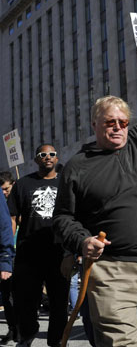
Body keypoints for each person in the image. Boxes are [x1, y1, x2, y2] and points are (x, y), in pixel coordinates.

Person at [52, 74, 137, 347]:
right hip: (112, 273)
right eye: (109, 122)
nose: (117, 127)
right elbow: (63, 217)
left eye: (122, 122)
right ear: (95, 124)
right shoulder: (77, 166)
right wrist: (82, 241)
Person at [8, 145, 69, 347]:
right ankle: (28, 333)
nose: (48, 157)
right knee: (25, 301)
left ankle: (57, 340)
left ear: (57, 157)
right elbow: (13, 218)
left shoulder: (66, 183)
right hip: (28, 253)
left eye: (52, 154)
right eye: (43, 155)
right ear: (36, 159)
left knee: (59, 302)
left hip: (58, 252)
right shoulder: (23, 184)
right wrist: (9, 247)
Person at [0, 171, 16, 345]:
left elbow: (8, 225)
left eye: (7, 189)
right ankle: (13, 328)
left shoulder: (15, 199)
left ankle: (18, 328)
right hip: (7, 250)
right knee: (6, 295)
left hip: (13, 250)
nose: (5, 192)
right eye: (2, 189)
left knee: (12, 294)